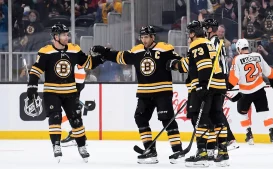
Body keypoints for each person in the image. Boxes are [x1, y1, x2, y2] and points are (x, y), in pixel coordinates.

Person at [91, 26, 184, 164]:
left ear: (153, 37)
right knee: (140, 118)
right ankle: (150, 151)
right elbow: (120, 57)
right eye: (142, 37)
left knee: (167, 119)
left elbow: (180, 63)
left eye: (146, 37)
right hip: (144, 92)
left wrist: (175, 64)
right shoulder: (137, 50)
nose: (144, 40)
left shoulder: (165, 48)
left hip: (162, 91)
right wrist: (104, 52)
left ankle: (177, 151)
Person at [26, 23, 105, 163]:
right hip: (52, 92)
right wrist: (32, 87)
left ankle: (81, 146)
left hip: (70, 92)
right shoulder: (45, 51)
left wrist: (102, 57)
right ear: (55, 37)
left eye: (67, 34)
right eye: (63, 35)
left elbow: (88, 63)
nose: (66, 37)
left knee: (76, 120)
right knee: (55, 117)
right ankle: (56, 145)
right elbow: (35, 71)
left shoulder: (74, 49)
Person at [168, 20, 229, 167]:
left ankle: (202, 153)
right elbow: (187, 65)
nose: (188, 36)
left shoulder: (196, 44)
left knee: (199, 117)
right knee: (216, 116)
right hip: (217, 85)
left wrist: (202, 86)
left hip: (205, 85)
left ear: (193, 33)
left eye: (189, 33)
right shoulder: (207, 43)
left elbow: (204, 66)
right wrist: (173, 64)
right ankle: (222, 152)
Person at [228, 38, 273, 145]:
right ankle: (272, 134)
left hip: (245, 94)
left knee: (242, 113)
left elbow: (233, 79)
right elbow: (269, 71)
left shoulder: (237, 59)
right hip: (259, 90)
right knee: (265, 113)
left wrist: (226, 87)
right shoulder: (257, 56)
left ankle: (249, 134)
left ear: (238, 49)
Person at [204, 18, 239, 153]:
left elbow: (213, 63)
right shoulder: (218, 42)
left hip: (217, 80)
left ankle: (227, 139)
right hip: (221, 79)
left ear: (210, 29)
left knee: (216, 112)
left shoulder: (213, 42)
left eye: (206, 28)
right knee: (216, 111)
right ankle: (225, 139)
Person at [61, 64, 87, 147]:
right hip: (71, 92)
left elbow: (79, 82)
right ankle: (80, 137)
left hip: (71, 93)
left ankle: (75, 136)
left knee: (66, 115)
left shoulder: (75, 62)